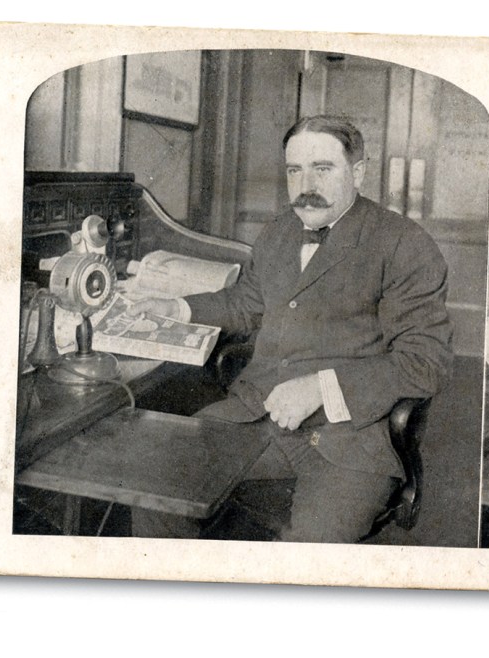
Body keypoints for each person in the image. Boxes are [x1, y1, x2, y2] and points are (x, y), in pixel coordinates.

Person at [131, 115, 453, 543]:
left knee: (304, 558)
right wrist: (176, 307)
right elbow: (245, 305)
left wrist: (321, 388)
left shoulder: (403, 244)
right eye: (294, 170)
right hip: (252, 415)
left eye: (322, 168)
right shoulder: (279, 231)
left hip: (348, 443)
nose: (305, 185)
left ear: (357, 172)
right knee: (154, 491)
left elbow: (425, 363)